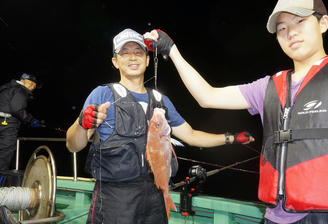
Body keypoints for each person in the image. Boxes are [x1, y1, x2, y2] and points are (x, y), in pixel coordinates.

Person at [144, 0, 328, 223]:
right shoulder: (268, 86)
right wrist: (172, 51)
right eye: (282, 29)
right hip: (277, 217)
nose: (291, 33)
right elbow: (207, 97)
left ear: (323, 23)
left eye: (300, 21)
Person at [65, 28, 254, 224]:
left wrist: (231, 138)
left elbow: (191, 135)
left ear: (147, 60)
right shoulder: (102, 95)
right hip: (114, 199)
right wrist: (82, 124)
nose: (133, 58)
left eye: (138, 53)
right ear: (115, 61)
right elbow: (73, 145)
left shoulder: (160, 100)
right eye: (125, 53)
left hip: (156, 196)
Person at [0, 73, 42, 171]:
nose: (33, 87)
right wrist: (31, 120)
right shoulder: (21, 90)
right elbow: (17, 109)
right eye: (31, 84)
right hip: (7, 125)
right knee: (5, 152)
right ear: (24, 81)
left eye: (34, 86)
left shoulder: (6, 88)